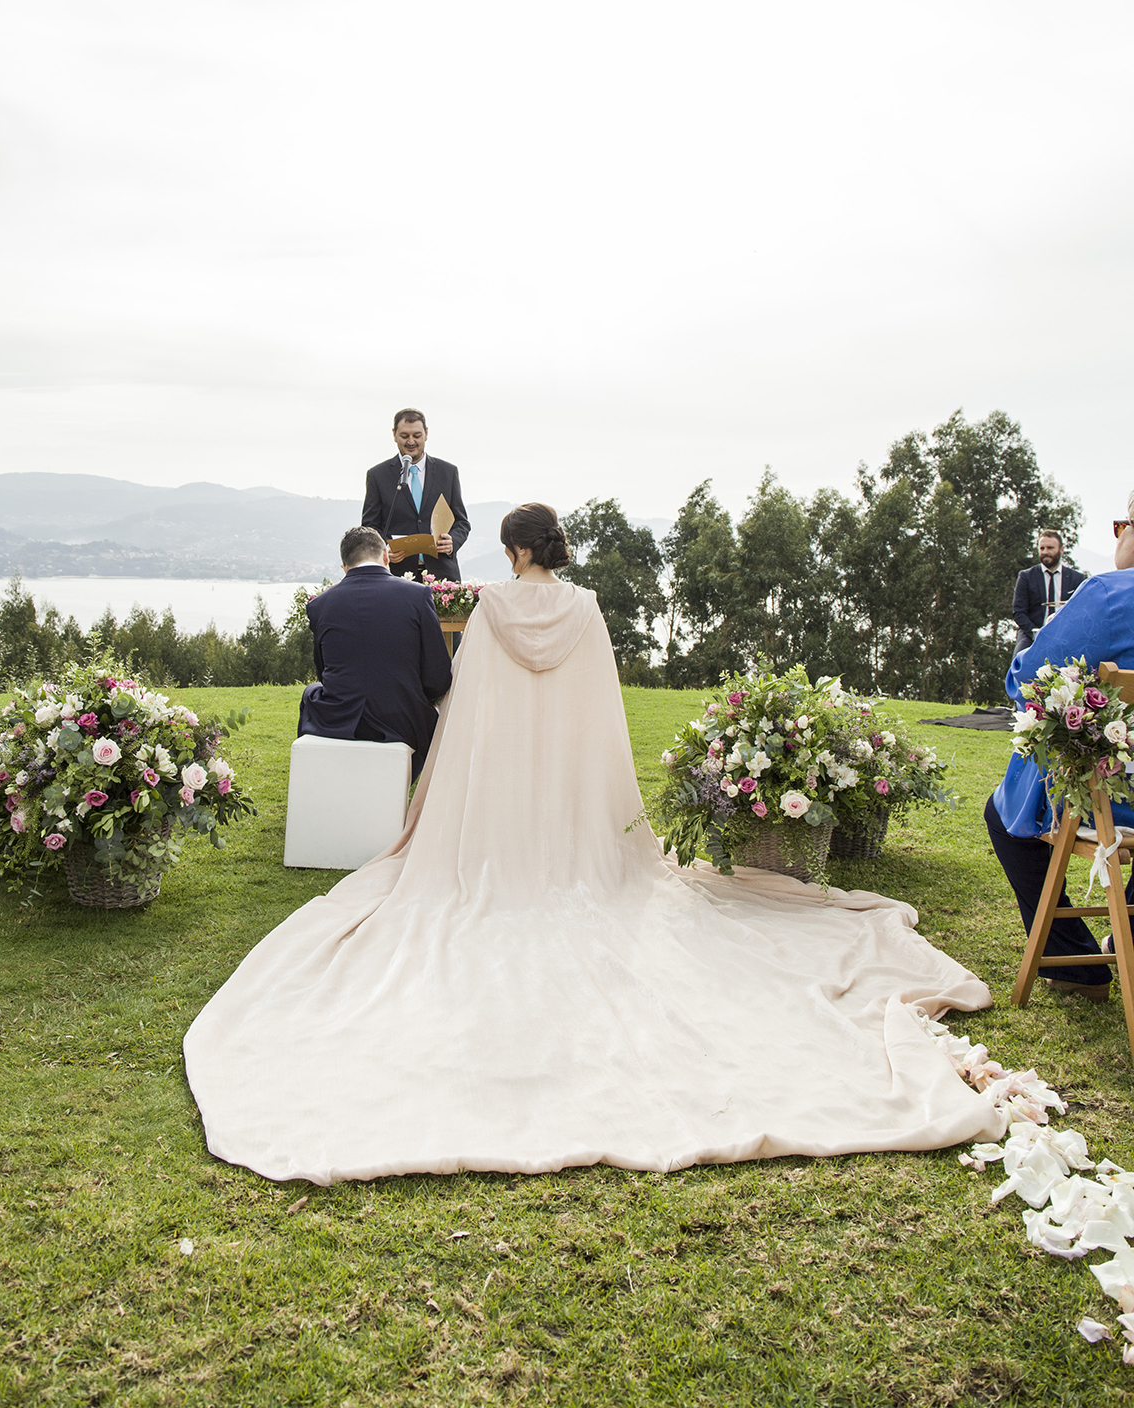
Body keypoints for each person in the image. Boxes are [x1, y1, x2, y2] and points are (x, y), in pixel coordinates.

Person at [184, 503, 1001, 1186]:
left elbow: (470, 704)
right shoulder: (584, 607)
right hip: (577, 810)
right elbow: (599, 709)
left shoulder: (496, 606)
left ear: (514, 550)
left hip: (496, 816)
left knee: (453, 888)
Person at [985, 492, 1134, 998]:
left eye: (1121, 526)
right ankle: (1129, 936)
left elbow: (1028, 680)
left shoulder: (1110, 596)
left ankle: (1079, 968)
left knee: (1004, 816)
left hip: (1114, 800)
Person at [298, 526, 452, 780]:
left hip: (339, 718)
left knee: (310, 692)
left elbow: (323, 671)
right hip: (404, 720)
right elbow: (437, 676)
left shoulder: (320, 605)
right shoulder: (417, 595)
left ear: (345, 567)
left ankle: (321, 779)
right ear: (385, 556)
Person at [362, 408, 470, 583]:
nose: (411, 441)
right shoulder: (378, 475)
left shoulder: (448, 472)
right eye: (404, 436)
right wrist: (383, 550)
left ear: (426, 434)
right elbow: (369, 527)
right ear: (394, 435)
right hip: (396, 575)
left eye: (417, 435)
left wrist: (452, 542)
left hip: (442, 575)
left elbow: (462, 522)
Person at [1012, 531, 1087, 655]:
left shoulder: (1077, 578)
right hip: (1032, 633)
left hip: (1066, 634)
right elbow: (1019, 612)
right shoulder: (1026, 576)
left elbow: (1081, 612)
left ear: (1061, 550)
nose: (1045, 552)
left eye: (1050, 548)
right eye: (1042, 548)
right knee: (1018, 662)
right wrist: (1037, 634)